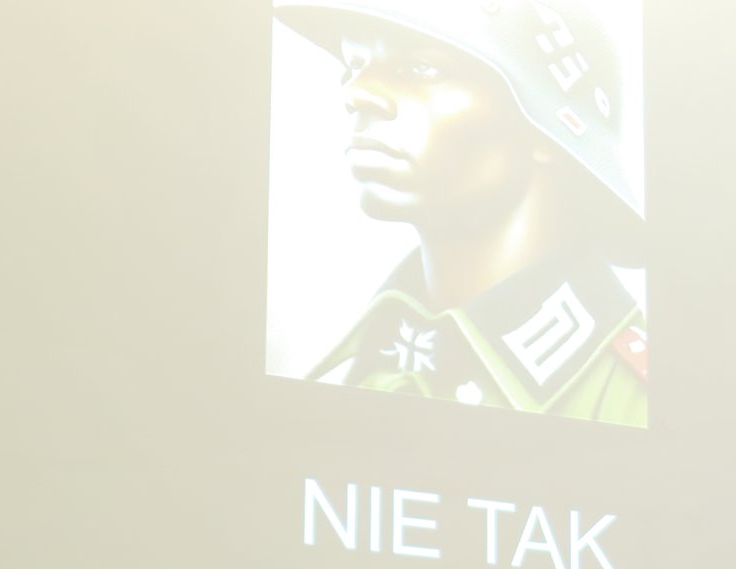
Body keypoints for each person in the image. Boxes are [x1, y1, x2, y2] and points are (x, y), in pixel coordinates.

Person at [273, 0, 647, 427]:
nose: (357, 93)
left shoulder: (630, 400)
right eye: (353, 66)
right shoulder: (367, 366)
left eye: (421, 69)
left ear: (545, 131)